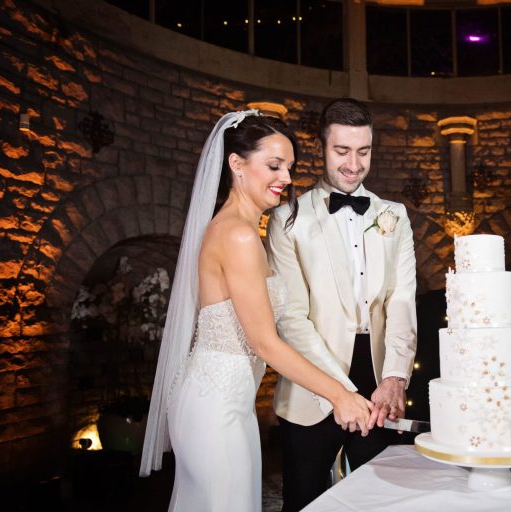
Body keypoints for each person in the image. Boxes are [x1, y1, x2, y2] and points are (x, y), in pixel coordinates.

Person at [139, 111, 373, 512]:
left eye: (289, 167)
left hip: (228, 401)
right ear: (236, 164)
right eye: (273, 165)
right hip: (216, 407)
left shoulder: (239, 228)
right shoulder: (239, 234)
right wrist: (340, 395)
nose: (284, 177)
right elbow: (264, 341)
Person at [266, 98, 418, 511]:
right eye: (342, 151)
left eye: (364, 151)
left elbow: (402, 299)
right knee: (303, 501)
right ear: (321, 148)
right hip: (312, 384)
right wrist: (341, 392)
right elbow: (291, 318)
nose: (354, 164)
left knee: (381, 501)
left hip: (380, 384)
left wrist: (396, 377)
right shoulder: (286, 220)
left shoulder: (395, 216)